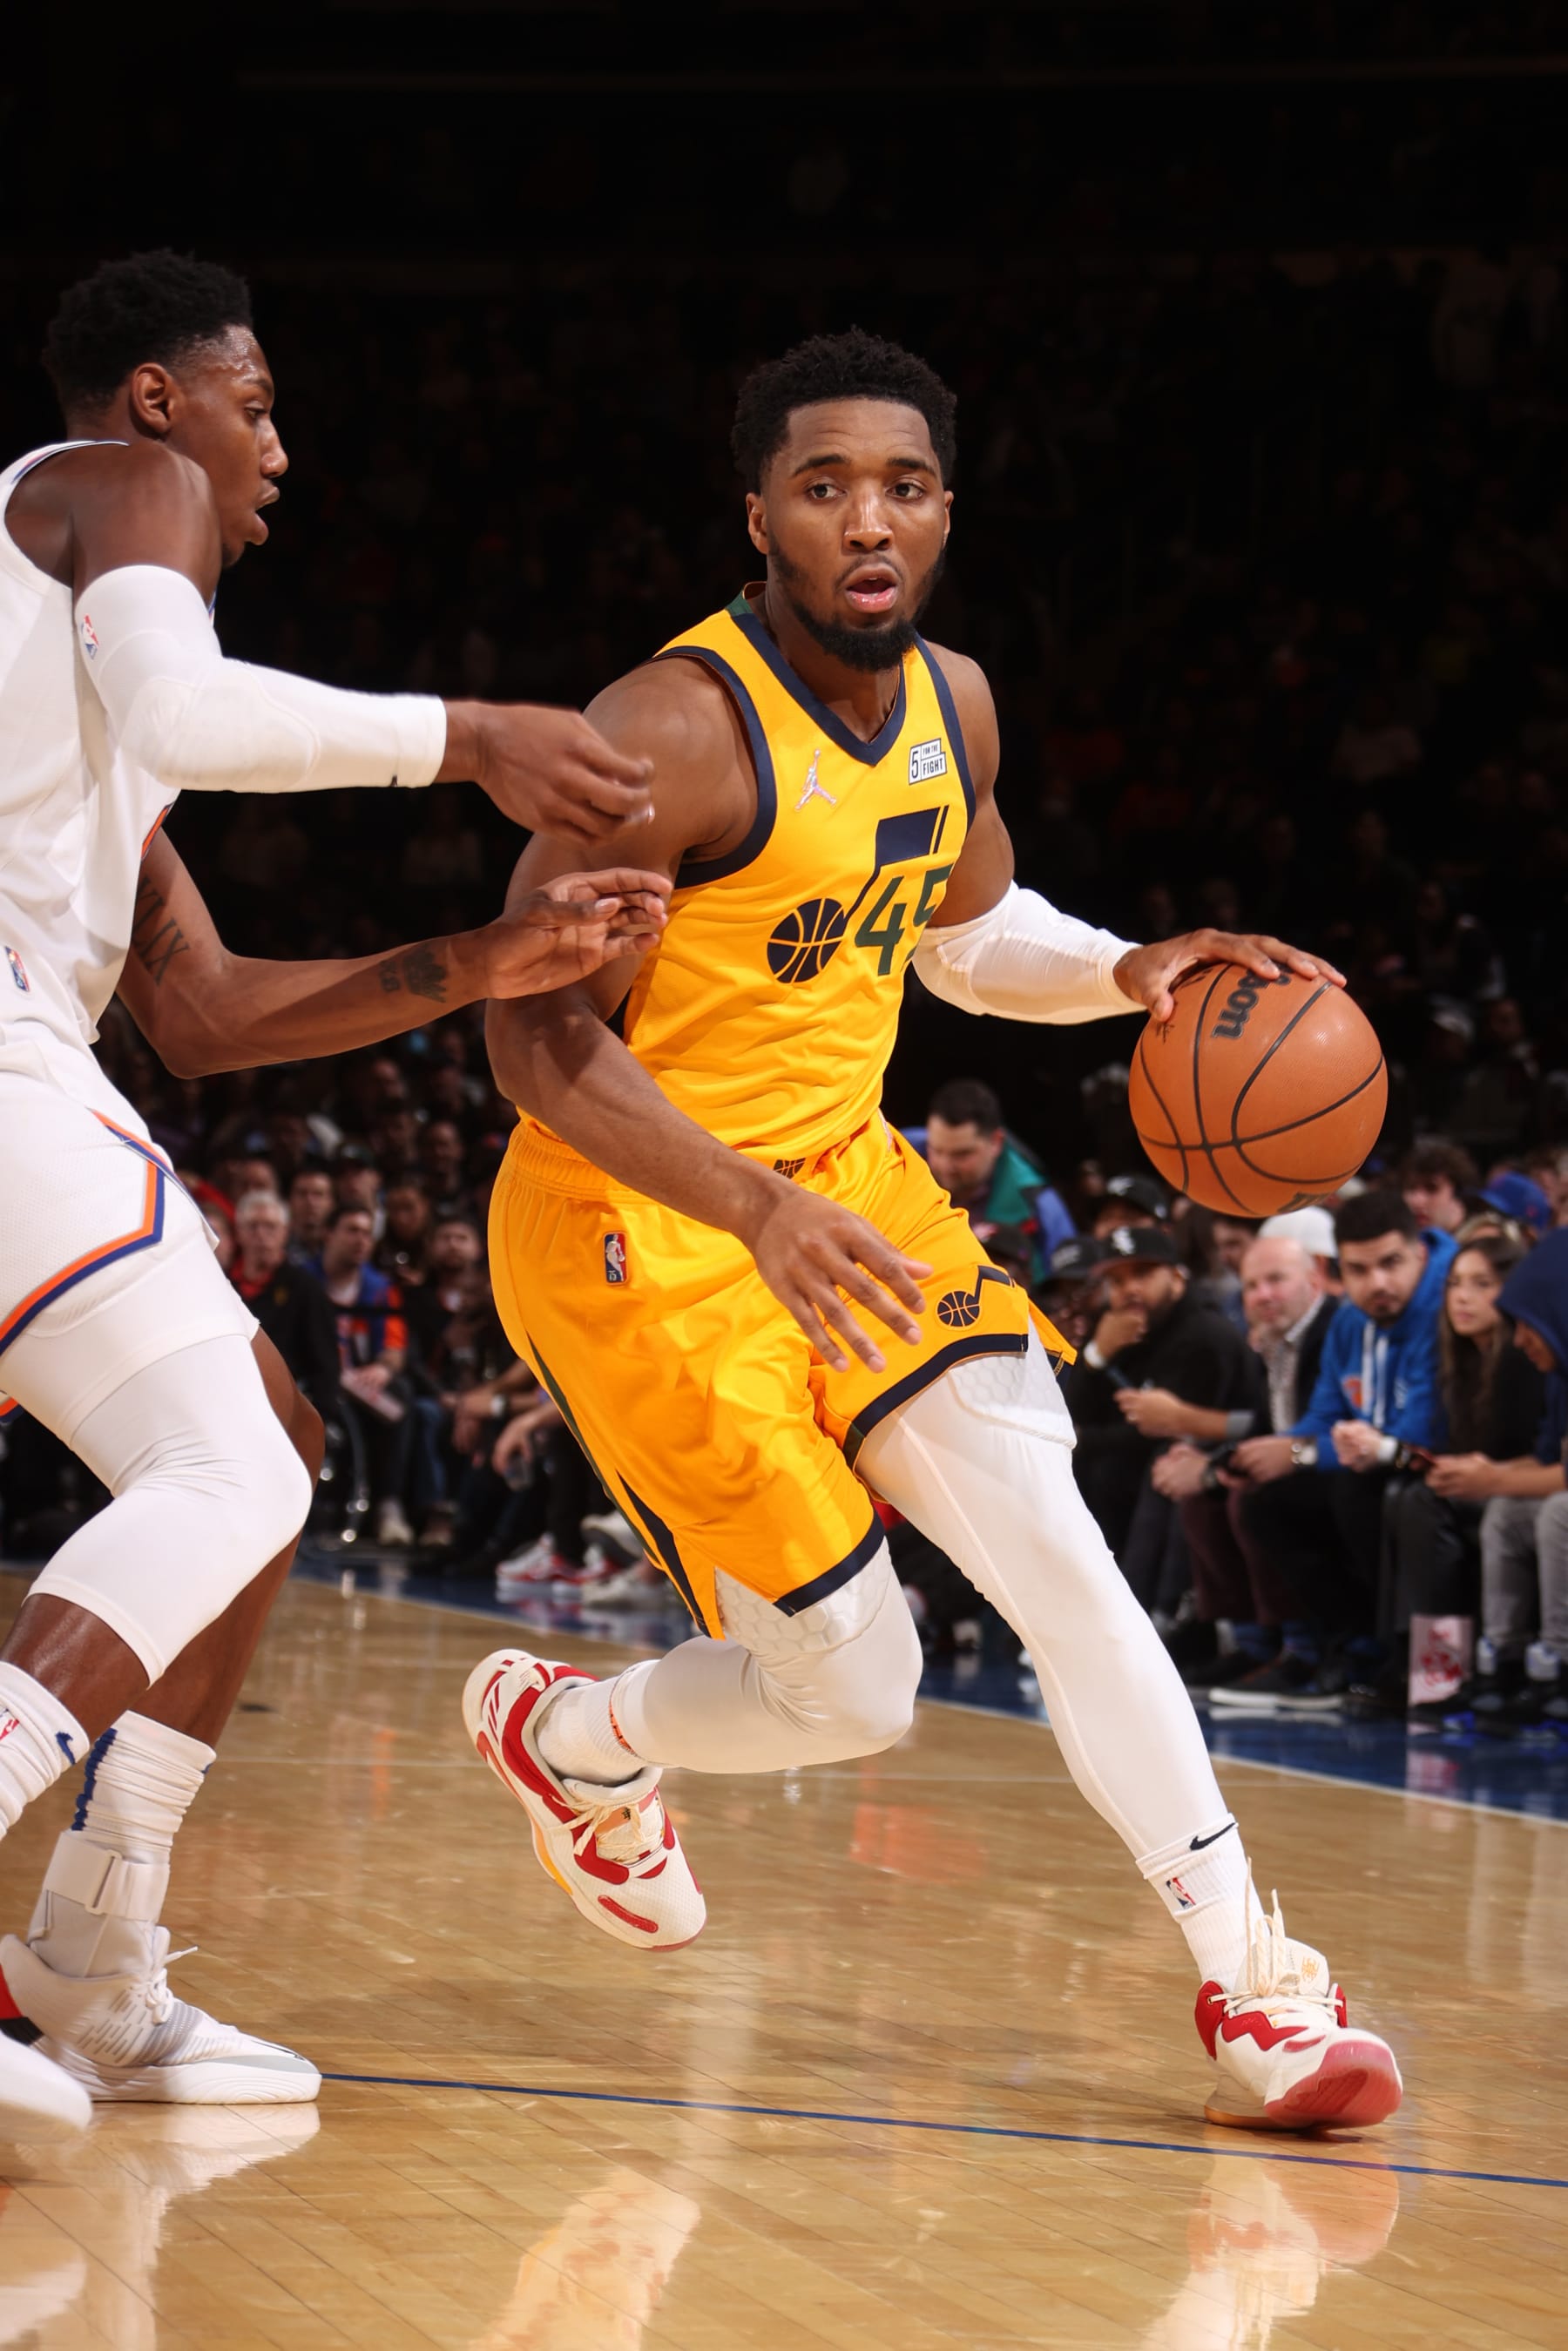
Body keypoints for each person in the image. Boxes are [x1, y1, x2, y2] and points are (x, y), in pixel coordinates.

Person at [463, 329, 1401, 2133]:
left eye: (902, 484)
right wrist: (752, 1203)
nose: (867, 518)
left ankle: (1256, 1976)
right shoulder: (668, 730)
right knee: (858, 1693)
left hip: (850, 1183)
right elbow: (534, 1035)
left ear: (948, 509)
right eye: (824, 486)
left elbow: (966, 932)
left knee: (1059, 1546)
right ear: (761, 517)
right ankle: (573, 1734)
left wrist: (1136, 971)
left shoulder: (955, 702)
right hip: (638, 1222)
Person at [0, 247, 666, 2137]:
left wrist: (487, 957)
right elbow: (206, 718)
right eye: (258, 401)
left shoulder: (66, 707)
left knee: (271, 1441)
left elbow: (200, 1016)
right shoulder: (115, 491)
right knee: (234, 1462)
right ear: (156, 399)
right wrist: (469, 731)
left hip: (32, 1052)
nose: (275, 451)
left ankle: (92, 1948)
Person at [1214, 1192, 1456, 1712]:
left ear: (1418, 1253)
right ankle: (1342, 1647)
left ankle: (1391, 1657)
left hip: (1433, 1466)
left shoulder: (1442, 1309)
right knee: (1266, 1498)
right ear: (1340, 1269)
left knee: (1361, 1493)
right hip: (1375, 1463)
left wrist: (1299, 1456)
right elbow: (1324, 1415)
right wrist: (1274, 1450)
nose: (1378, 1284)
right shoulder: (1351, 1320)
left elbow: (1421, 1432)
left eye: (1390, 1264)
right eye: (1361, 1269)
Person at [1345, 1233, 1557, 1720]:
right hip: (1488, 1484)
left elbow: (1539, 1455)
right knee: (1403, 1494)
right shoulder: (1456, 1361)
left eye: (1482, 1284)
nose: (1462, 1296)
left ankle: (1440, 1669)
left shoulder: (1526, 1357)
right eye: (1455, 1283)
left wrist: (1486, 1475)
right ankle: (1408, 1659)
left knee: (1419, 1502)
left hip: (1524, 1489)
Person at [1154, 1234, 1339, 1688]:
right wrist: (1209, 1461)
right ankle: (1252, 1644)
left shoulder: (1332, 1329)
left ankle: (1305, 1648)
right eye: (1252, 1285)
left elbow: (1319, 1426)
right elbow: (1266, 1425)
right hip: (1297, 1460)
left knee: (1254, 1498)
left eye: (1276, 1279)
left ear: (1314, 1277)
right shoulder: (1276, 1338)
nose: (1263, 1295)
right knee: (1203, 1497)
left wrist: (1217, 1468)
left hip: (1332, 1466)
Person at [1061, 1226, 1265, 1612]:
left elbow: (1165, 1433)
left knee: (1153, 1468)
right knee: (1080, 1468)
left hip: (1220, 1451)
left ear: (1176, 1277)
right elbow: (1071, 1414)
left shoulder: (1206, 1334)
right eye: (1117, 1280)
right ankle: (1081, 1606)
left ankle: (1147, 1613)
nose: (1129, 1289)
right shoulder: (1117, 1326)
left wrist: (1085, 1438)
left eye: (1142, 1274)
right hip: (1144, 1458)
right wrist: (1097, 1355)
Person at [1470, 1231, 1568, 1732]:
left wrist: (1489, 1479)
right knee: (1508, 1513)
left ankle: (1560, 1663)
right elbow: (1549, 1459)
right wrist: (1485, 1474)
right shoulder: (1559, 1377)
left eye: (1529, 1326)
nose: (1522, 1340)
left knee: (1558, 1513)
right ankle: (1505, 1659)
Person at [910, 1077, 1075, 1277]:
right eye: (936, 1150)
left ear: (996, 1142)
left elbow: (1065, 1283)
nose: (945, 1165)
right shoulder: (892, 1154)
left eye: (962, 1154)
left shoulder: (1039, 1205)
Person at [229, 1191, 340, 1415]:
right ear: (239, 1233)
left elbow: (324, 1361)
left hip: (287, 1402)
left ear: (284, 1233)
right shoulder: (221, 1284)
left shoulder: (305, 1288)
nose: (261, 1234)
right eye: (252, 1226)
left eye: (270, 1227)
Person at [1400, 1141, 1481, 1237]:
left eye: (1432, 1189)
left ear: (1460, 1196)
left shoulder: (1485, 1240)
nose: (1417, 1201)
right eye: (1411, 1188)